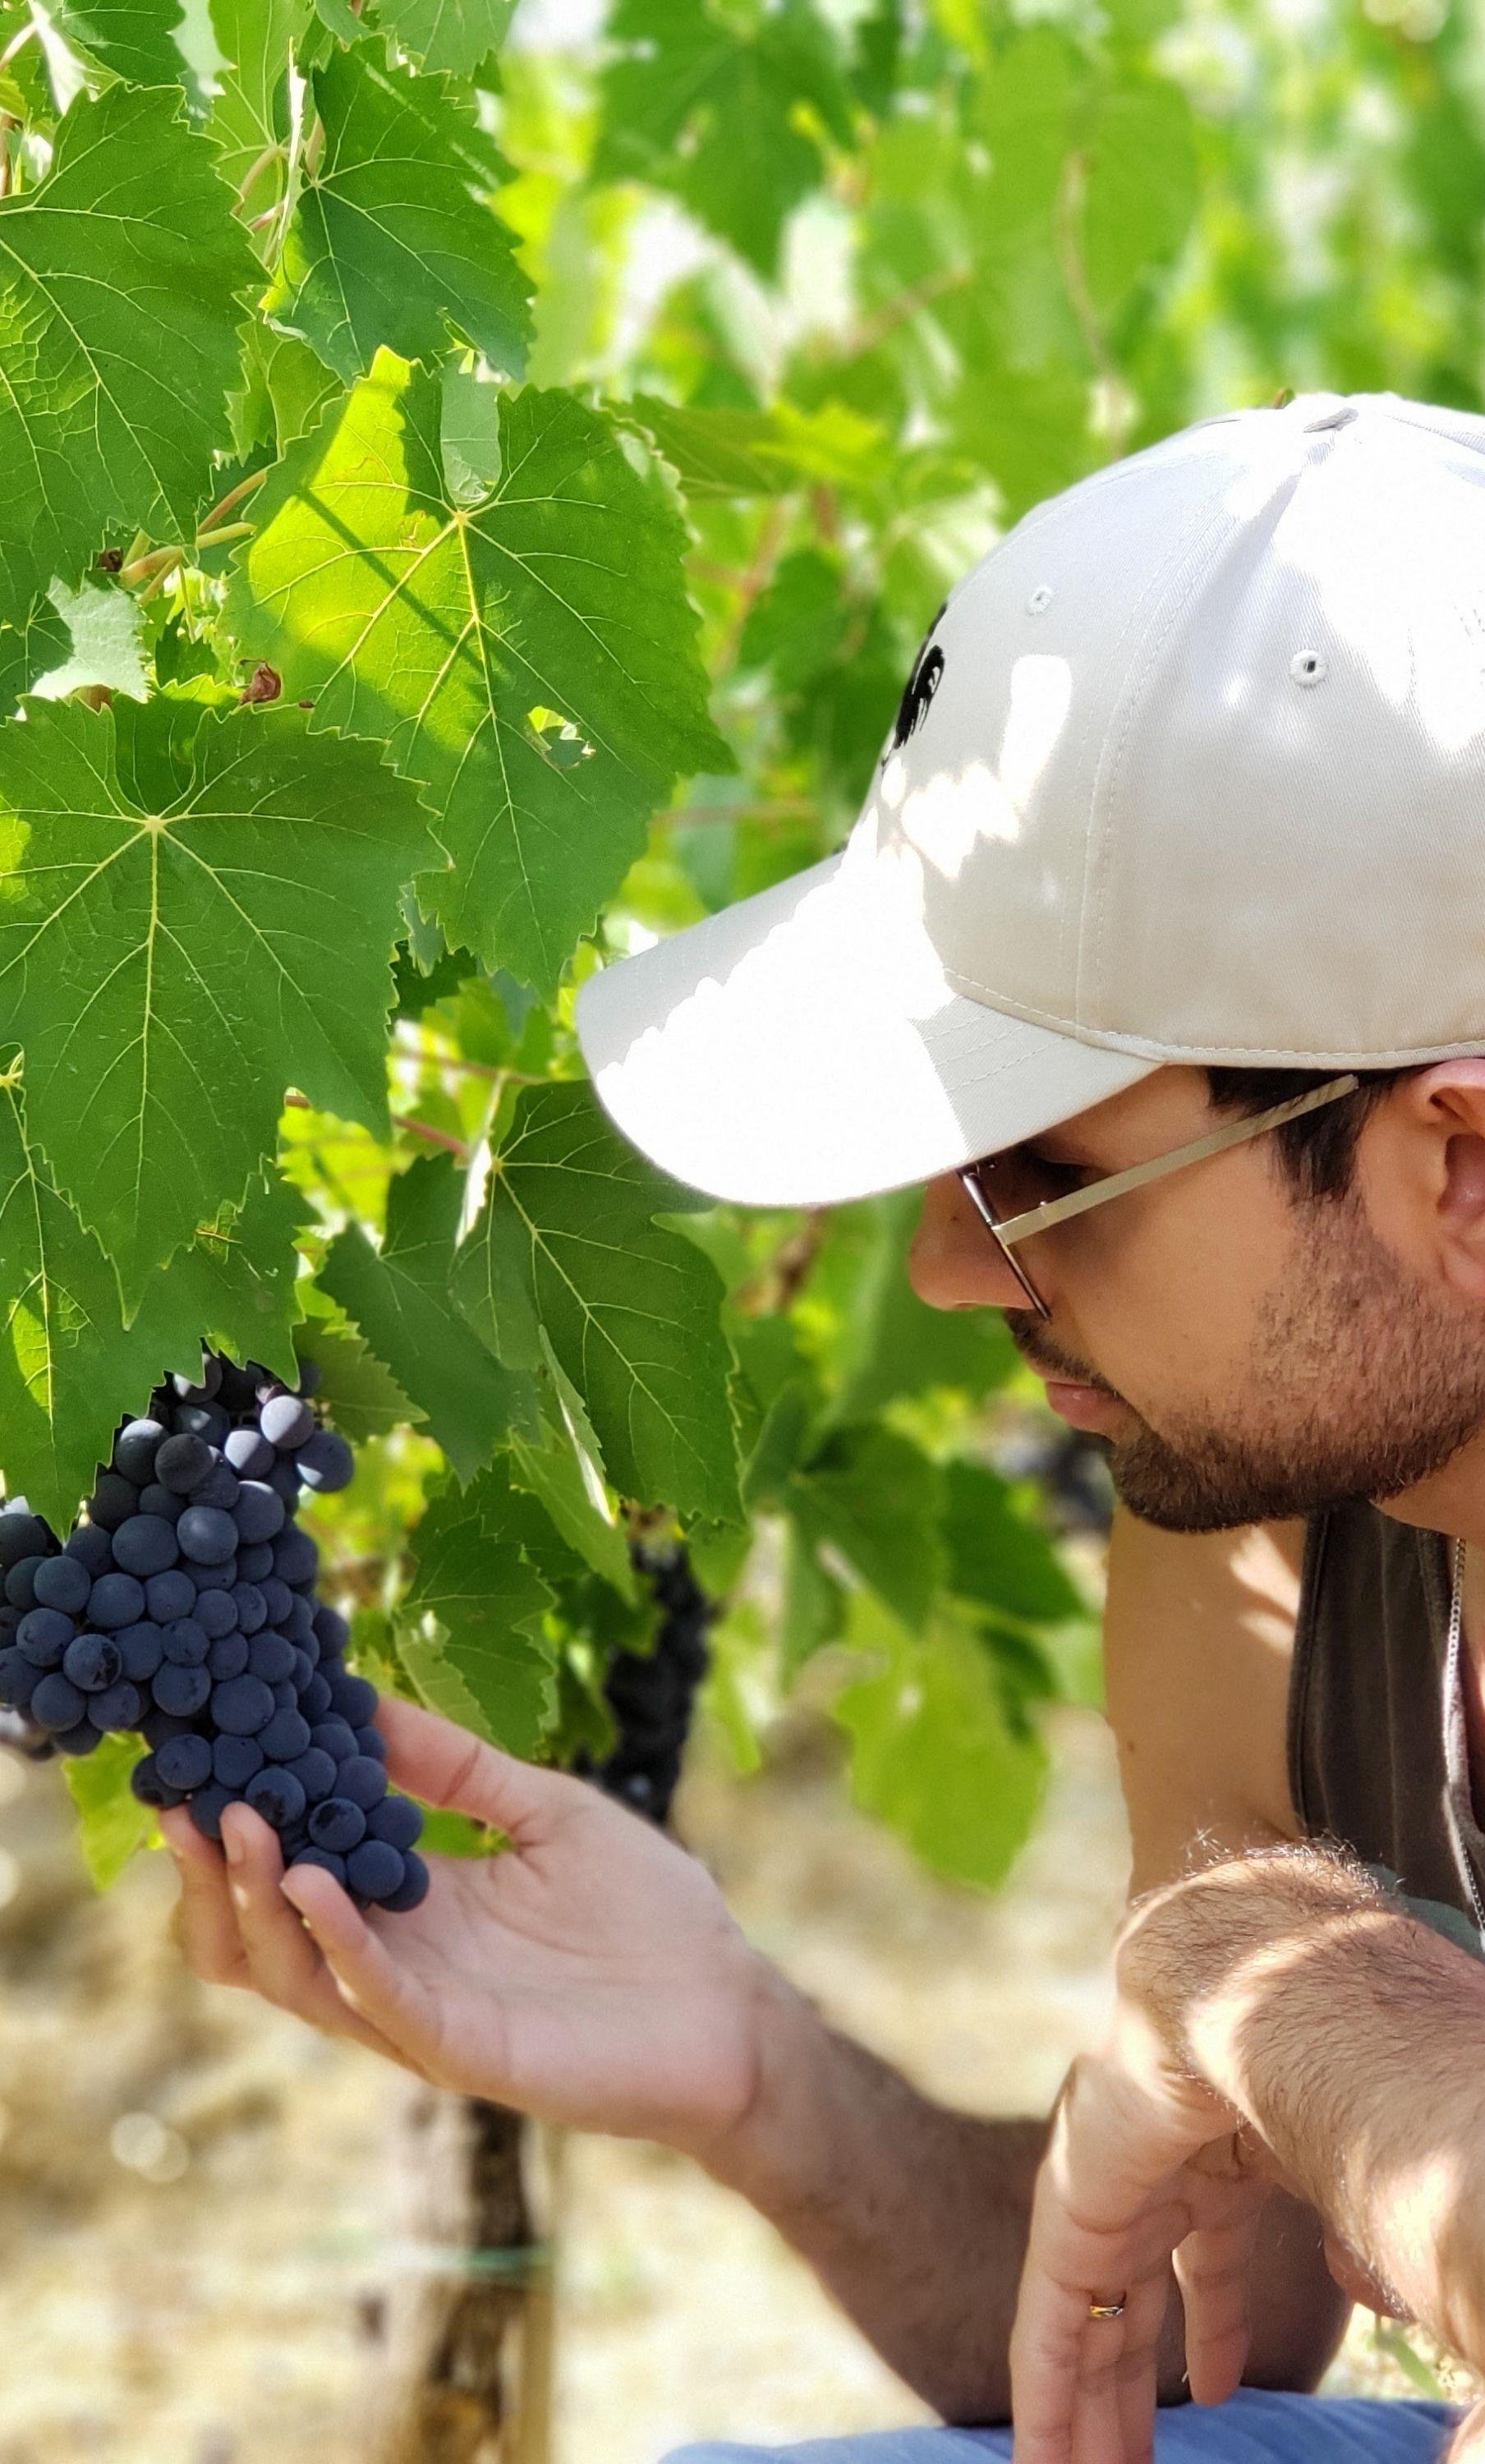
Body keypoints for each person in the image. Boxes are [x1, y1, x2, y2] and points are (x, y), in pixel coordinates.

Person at [161, 390, 1485, 2462]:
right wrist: (749, 2064)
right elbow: (1167, 2359)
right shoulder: (1256, 1502)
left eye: (1035, 1170)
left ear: (1458, 1162)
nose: (951, 1273)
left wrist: (1286, 1980)